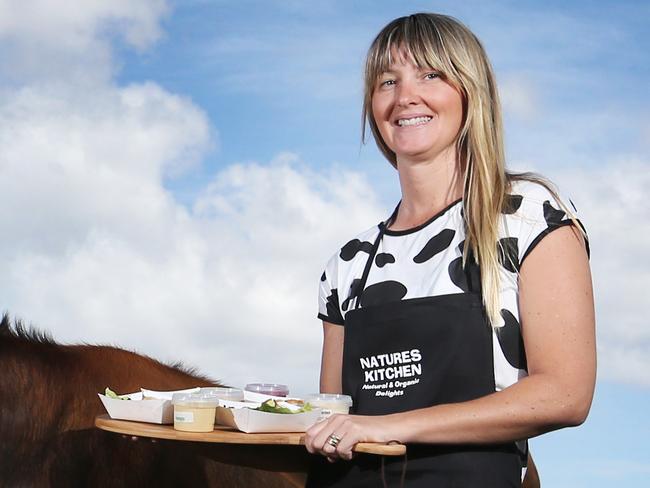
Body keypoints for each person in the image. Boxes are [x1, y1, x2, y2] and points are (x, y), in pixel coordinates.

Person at [304, 12, 596, 488]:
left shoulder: (527, 217)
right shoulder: (349, 264)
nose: (404, 96)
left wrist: (390, 426)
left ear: (470, 93)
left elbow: (565, 394)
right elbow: (335, 413)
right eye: (386, 82)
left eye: (430, 74)